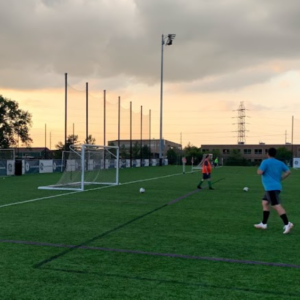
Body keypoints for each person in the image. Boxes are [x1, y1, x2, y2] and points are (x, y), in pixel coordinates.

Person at [254, 147, 293, 234]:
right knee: (265, 202)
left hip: (271, 188)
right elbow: (288, 172)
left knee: (276, 205)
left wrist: (259, 170)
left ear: (267, 154)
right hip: (274, 187)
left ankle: (287, 224)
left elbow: (259, 172)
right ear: (275, 154)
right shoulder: (280, 163)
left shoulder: (265, 162)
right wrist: (281, 178)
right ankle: (264, 223)